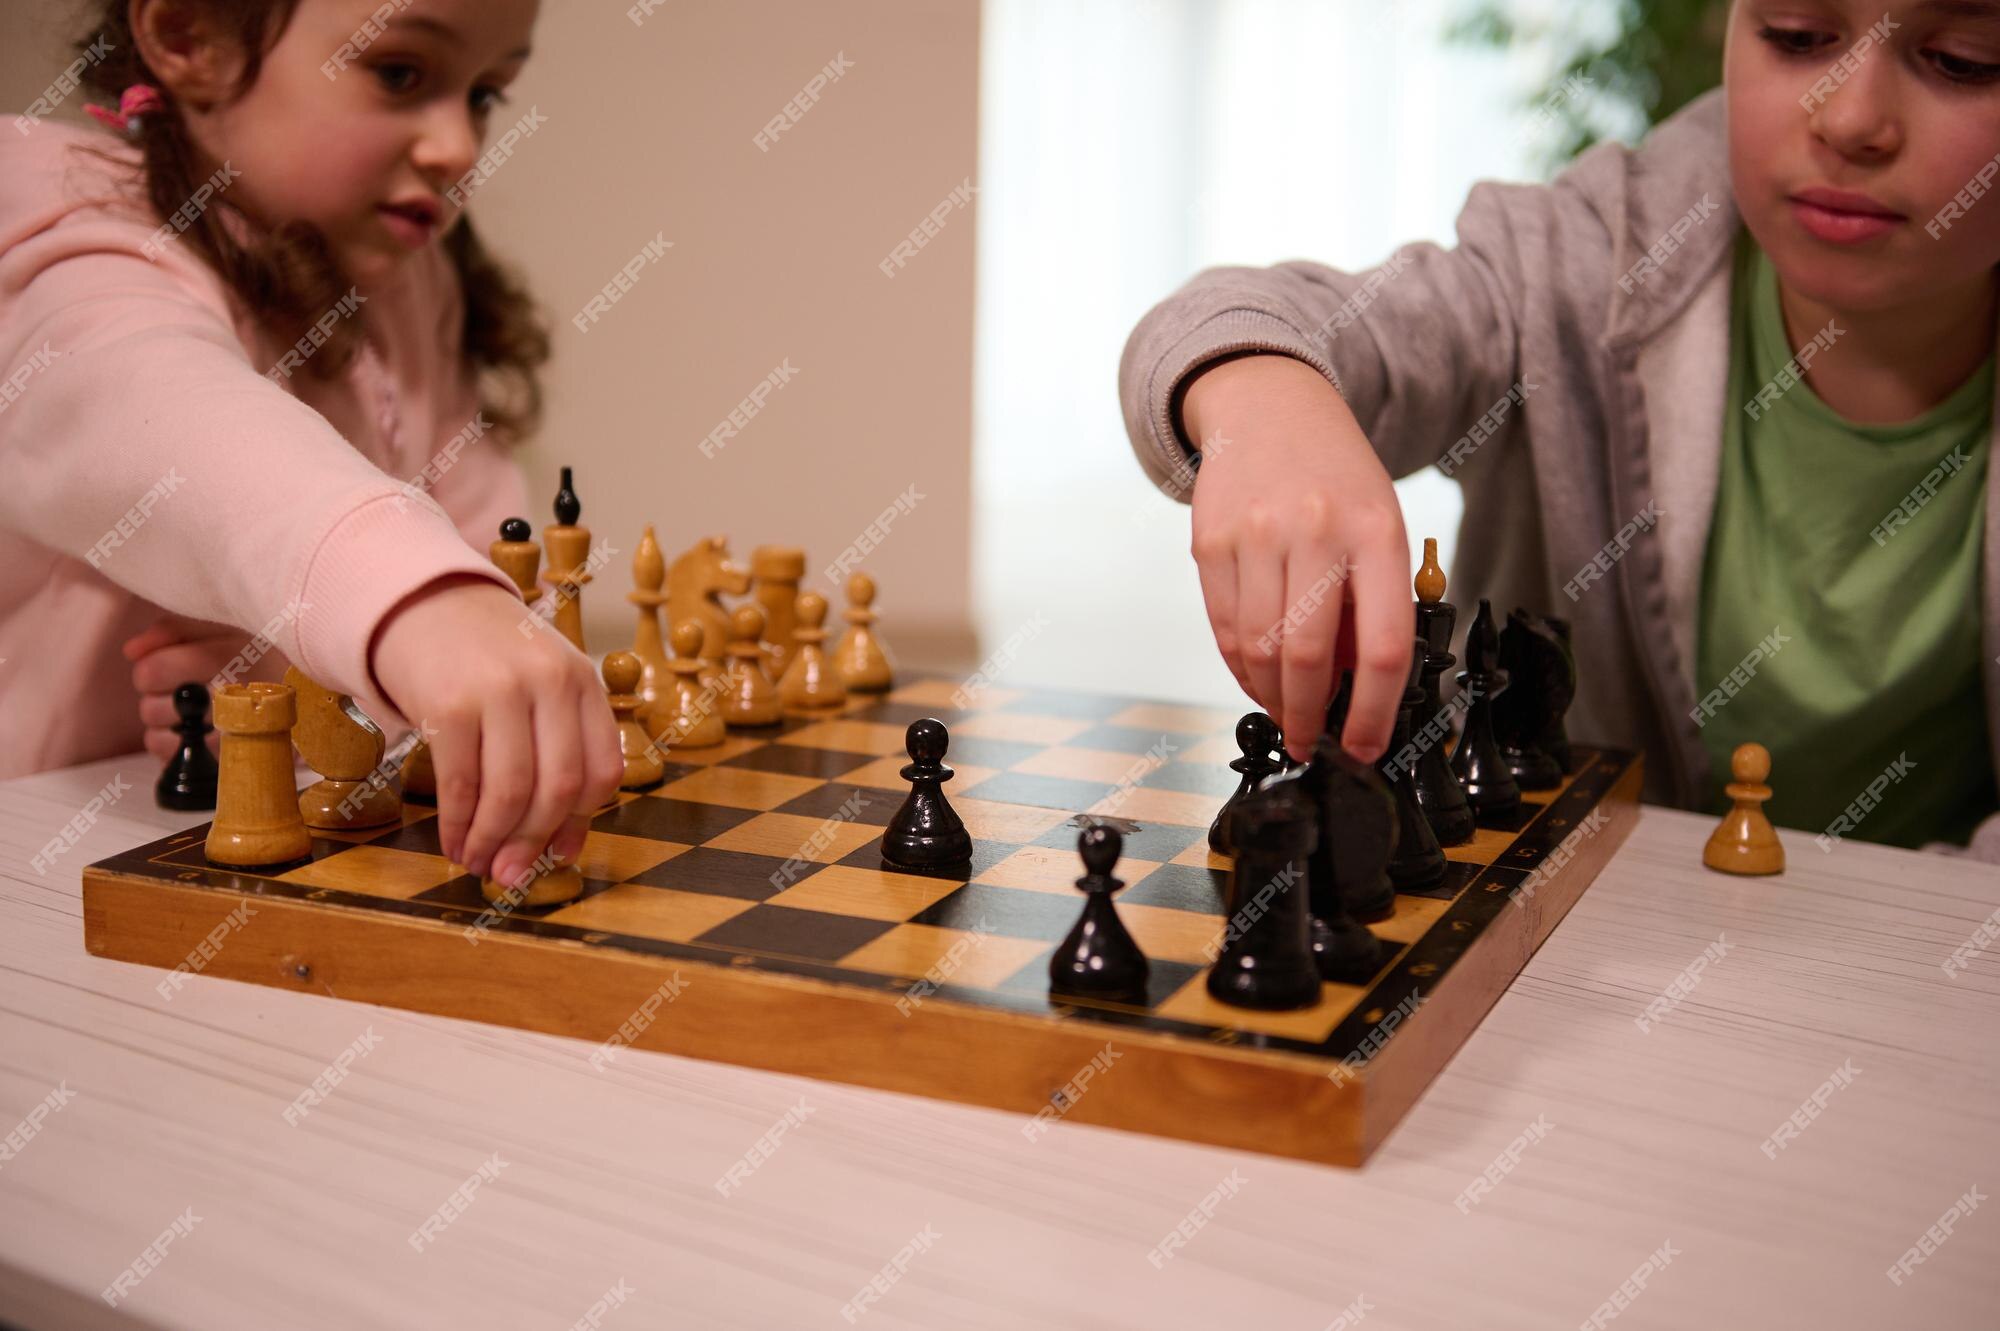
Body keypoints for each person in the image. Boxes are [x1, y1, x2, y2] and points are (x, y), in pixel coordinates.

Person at [1119, 0, 2000, 853]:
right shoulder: (1577, 267)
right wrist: (1266, 397)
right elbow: (1217, 318)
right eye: (1798, 35)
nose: (1850, 119)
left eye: (1964, 58)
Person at [0, 0, 625, 888]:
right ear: (191, 37)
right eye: (400, 73)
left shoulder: (406, 283)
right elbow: (164, 418)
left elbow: (492, 559)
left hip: (263, 863)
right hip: (47, 882)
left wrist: (390, 653)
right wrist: (418, 604)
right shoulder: (75, 241)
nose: (456, 145)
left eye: (485, 94)